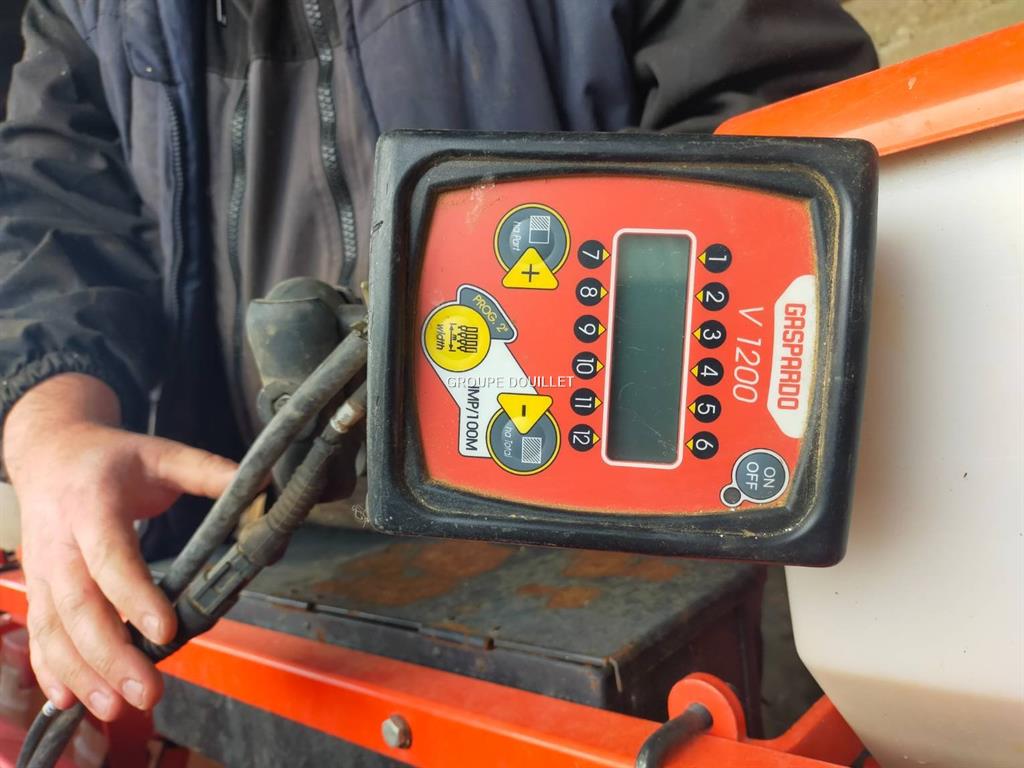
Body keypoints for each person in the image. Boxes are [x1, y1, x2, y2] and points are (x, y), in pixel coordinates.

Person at [0, 0, 876, 726]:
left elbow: (790, 110)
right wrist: (50, 426)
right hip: (277, 554)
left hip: (648, 554)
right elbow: (52, 212)